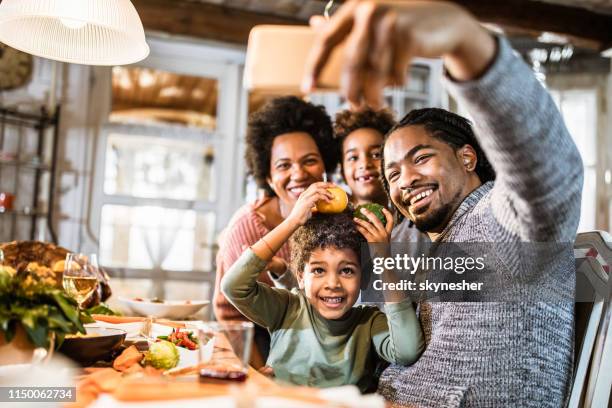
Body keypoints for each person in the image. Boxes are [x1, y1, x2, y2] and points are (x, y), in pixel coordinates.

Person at [303, 1, 582, 407]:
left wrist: (467, 43)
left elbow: (550, 167)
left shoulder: (502, 222)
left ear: (467, 157)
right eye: (393, 173)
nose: (406, 179)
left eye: (421, 158)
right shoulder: (440, 248)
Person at [221, 181, 424, 391]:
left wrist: (383, 258)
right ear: (300, 276)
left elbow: (408, 350)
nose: (333, 284)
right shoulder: (287, 308)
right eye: (318, 270)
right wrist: (292, 222)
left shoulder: (369, 322)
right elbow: (233, 286)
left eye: (346, 271)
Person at [213, 96, 339, 366]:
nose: (299, 174)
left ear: (325, 166)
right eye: (284, 165)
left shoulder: (338, 215)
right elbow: (230, 313)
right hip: (266, 346)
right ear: (268, 177)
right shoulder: (247, 227)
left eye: (310, 161)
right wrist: (259, 375)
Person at [334, 108, 428, 245]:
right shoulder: (332, 225)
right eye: (353, 157)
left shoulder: (415, 224)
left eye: (376, 155)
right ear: (342, 170)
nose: (365, 164)